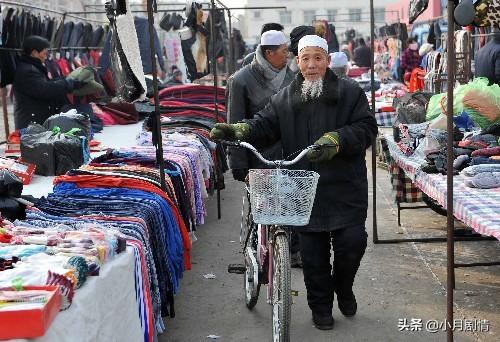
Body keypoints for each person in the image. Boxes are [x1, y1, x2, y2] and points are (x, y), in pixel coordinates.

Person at [211, 35, 377, 330]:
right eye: (305, 59)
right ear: (297, 62)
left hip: (345, 187)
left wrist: (337, 140)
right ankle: (321, 307)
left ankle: (344, 287)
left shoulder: (351, 93)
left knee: (352, 244)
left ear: (327, 61)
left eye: (318, 58)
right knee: (312, 257)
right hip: (303, 188)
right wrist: (239, 130)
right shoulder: (285, 97)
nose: (312, 65)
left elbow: (366, 128)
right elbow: (263, 125)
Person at [225, 30, 299, 265]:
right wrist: (239, 165)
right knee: (263, 212)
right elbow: (235, 126)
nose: (288, 55)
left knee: (292, 205)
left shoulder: (293, 78)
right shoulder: (241, 80)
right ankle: (257, 259)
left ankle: (292, 252)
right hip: (257, 157)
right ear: (269, 53)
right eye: (284, 51)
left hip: (289, 155)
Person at [13, 35, 84, 130]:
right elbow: (44, 90)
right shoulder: (27, 71)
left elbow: (46, 84)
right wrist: (68, 83)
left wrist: (65, 79)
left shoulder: (32, 67)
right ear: (34, 53)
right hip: (30, 125)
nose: (46, 57)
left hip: (35, 123)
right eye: (45, 53)